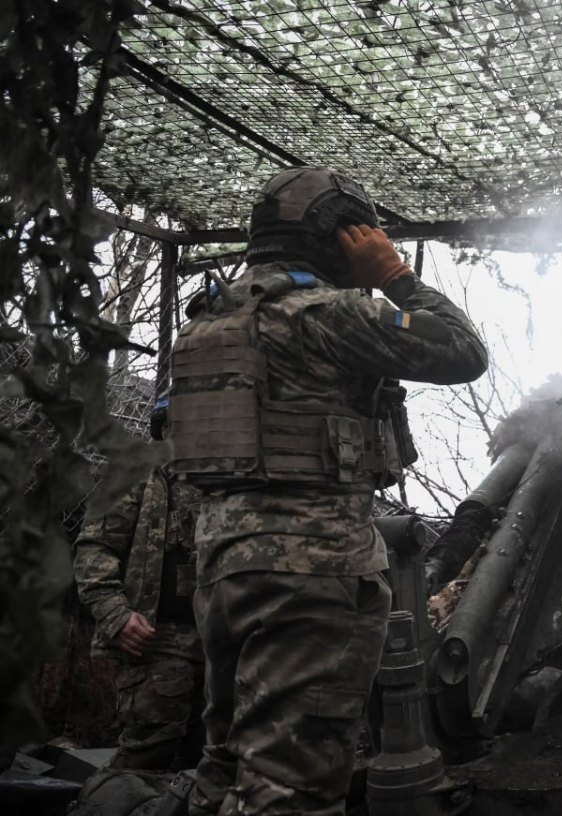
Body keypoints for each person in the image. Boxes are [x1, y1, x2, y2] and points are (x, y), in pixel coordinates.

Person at [169, 166, 487, 816]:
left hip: (222, 569)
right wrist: (395, 276)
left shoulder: (208, 321)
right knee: (292, 786)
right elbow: (462, 351)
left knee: (225, 766)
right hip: (309, 577)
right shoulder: (328, 315)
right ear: (339, 235)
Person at [73, 397, 205, 770]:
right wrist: (116, 615)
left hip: (225, 640)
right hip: (157, 639)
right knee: (150, 751)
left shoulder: (233, 478)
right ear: (163, 428)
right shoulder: (136, 475)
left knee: (220, 756)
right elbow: (95, 549)